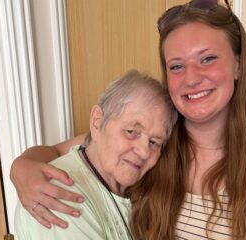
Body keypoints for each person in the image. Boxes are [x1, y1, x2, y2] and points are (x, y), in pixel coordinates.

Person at [10, 1, 246, 239]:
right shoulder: (152, 145)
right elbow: (57, 152)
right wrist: (22, 167)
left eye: (207, 59)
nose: (192, 78)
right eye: (177, 65)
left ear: (238, 65)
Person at [14, 70, 177, 239]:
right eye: (131, 131)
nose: (144, 152)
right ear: (97, 121)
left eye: (154, 142)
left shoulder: (122, 181)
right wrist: (22, 163)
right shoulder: (60, 195)